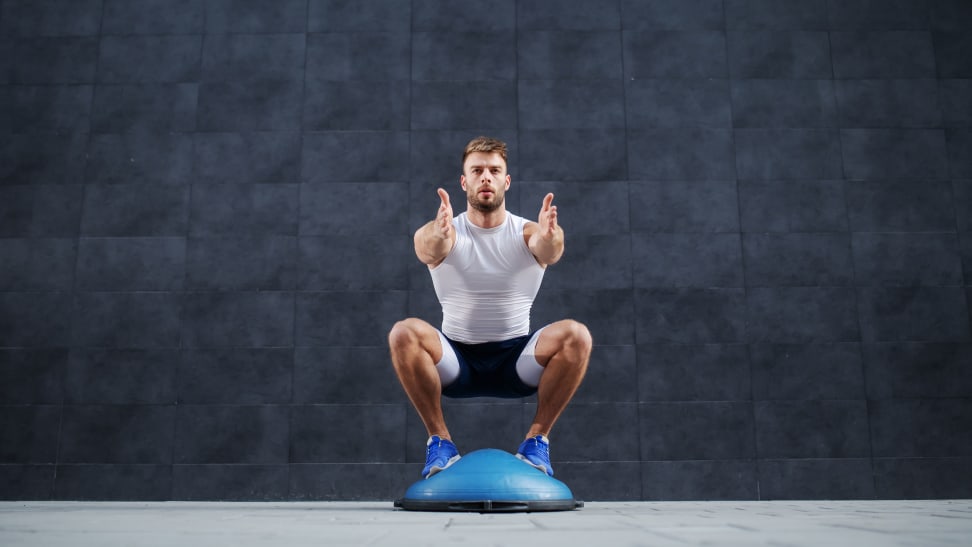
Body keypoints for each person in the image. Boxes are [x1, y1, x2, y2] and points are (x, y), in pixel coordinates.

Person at [388, 136, 592, 479]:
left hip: (516, 362)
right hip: (456, 362)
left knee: (577, 335)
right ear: (464, 181)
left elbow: (549, 248)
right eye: (478, 170)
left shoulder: (527, 230)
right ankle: (440, 443)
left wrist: (551, 236)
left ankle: (536, 441)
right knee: (404, 332)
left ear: (506, 181)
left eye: (494, 170)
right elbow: (426, 246)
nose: (486, 177)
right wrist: (438, 234)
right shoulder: (446, 231)